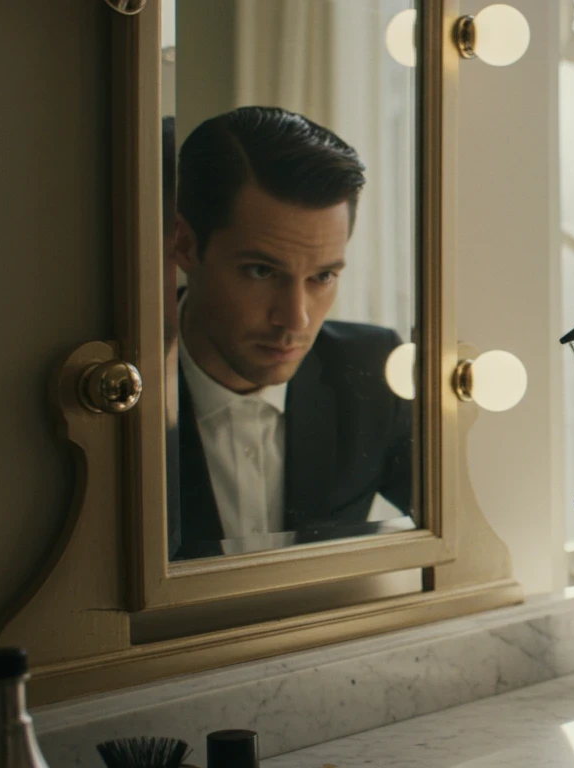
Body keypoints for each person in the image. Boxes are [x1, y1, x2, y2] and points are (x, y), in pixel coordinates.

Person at [167, 106, 414, 561]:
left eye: (322, 277)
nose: (297, 319)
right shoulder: (117, 394)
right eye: (261, 271)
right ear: (183, 245)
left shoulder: (375, 370)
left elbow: (461, 540)